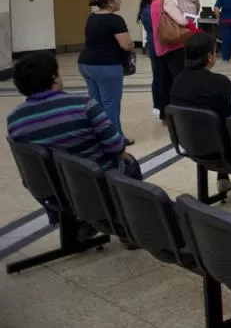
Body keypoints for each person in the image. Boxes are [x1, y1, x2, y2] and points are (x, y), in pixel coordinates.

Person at [9, 52, 142, 225]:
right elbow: (116, 147)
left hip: (50, 189)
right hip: (94, 182)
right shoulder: (84, 105)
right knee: (129, 162)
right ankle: (129, 224)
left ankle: (72, 223)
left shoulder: (15, 119)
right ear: (54, 78)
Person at [169, 33, 231, 207]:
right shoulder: (220, 83)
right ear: (209, 57)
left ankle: (223, 179)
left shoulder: (177, 83)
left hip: (190, 144)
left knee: (212, 126)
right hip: (222, 149)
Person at [78, 0, 134, 144]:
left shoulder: (92, 17)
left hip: (85, 63)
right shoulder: (115, 20)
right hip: (106, 65)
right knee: (111, 103)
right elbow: (126, 45)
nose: (120, 1)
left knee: (95, 102)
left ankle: (96, 135)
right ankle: (115, 138)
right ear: (110, 2)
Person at [150, 0, 192, 121]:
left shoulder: (154, 3)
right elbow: (181, 21)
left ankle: (165, 112)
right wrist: (189, 19)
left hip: (160, 46)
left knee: (164, 81)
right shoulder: (166, 1)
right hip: (173, 46)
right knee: (178, 79)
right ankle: (180, 112)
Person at [138, 0, 162, 120]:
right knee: (158, 76)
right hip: (155, 45)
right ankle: (157, 105)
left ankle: (160, 104)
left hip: (155, 44)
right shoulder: (148, 10)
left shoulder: (150, 7)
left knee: (160, 76)